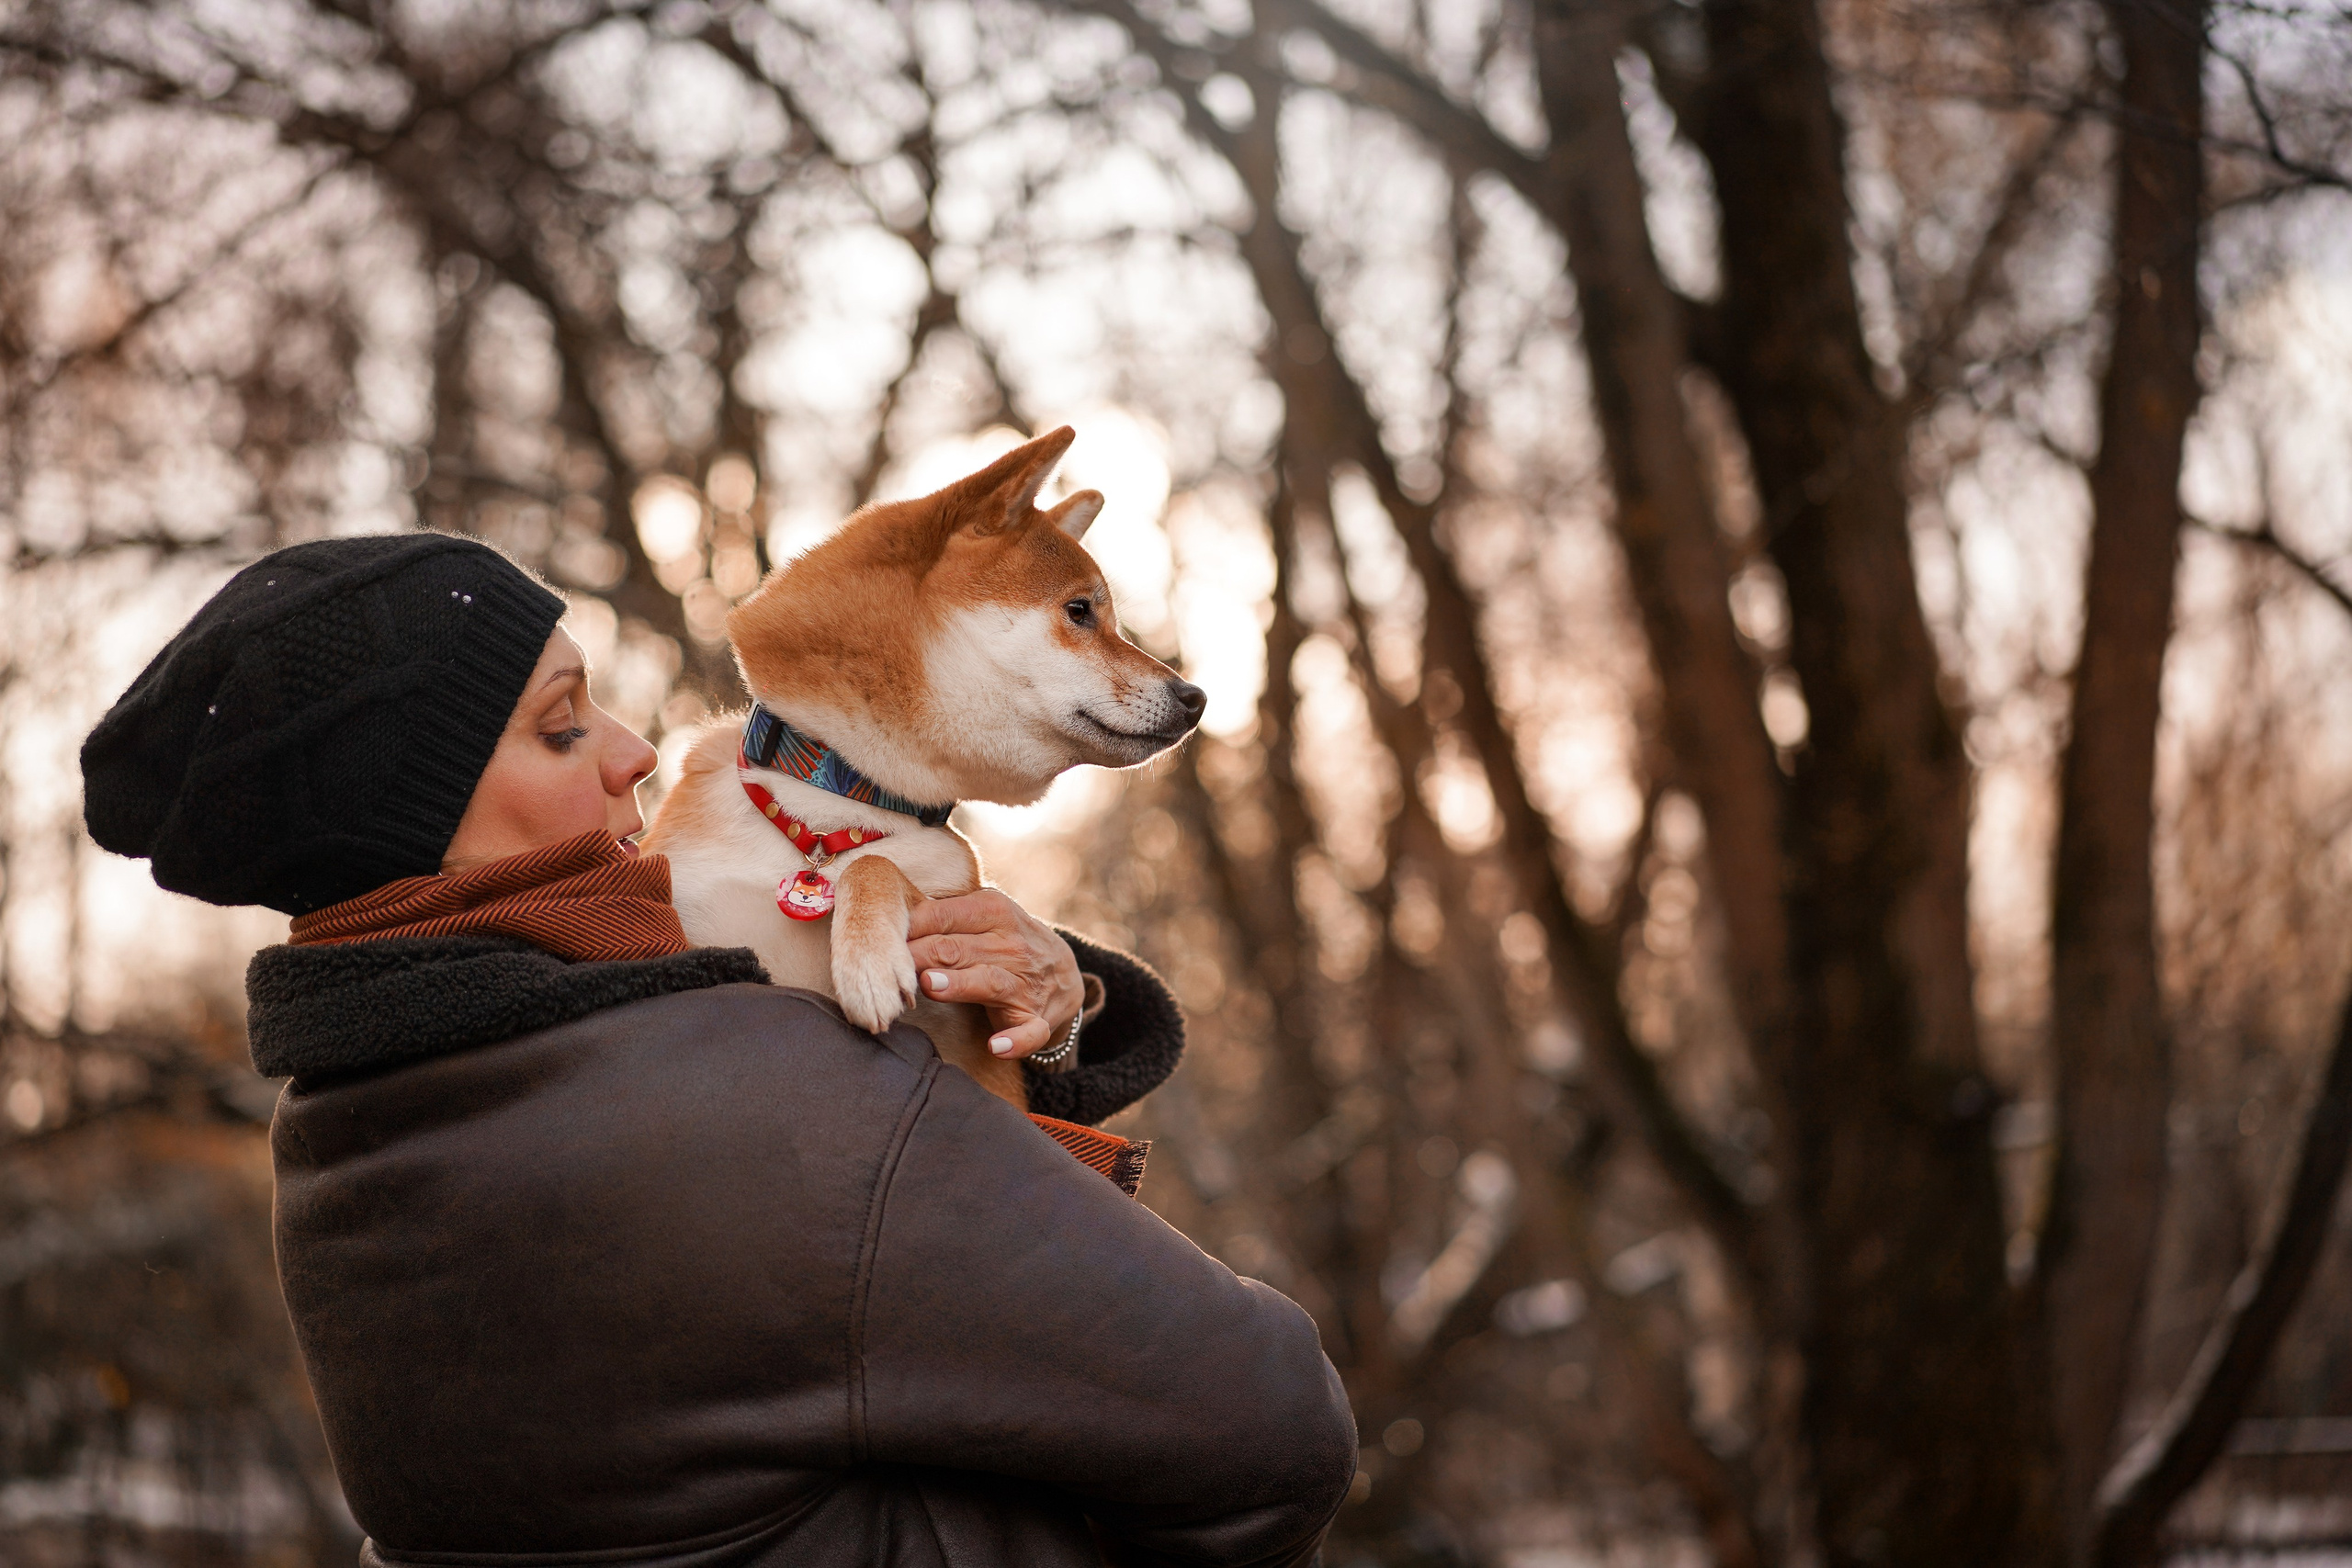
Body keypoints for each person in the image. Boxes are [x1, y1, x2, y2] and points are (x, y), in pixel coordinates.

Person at [80, 534, 1354, 1567]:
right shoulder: (751, 1102)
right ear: (424, 823)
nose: (638, 749)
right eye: (563, 726)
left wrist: (1044, 1007)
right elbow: (1280, 1428)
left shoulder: (340, 1142)